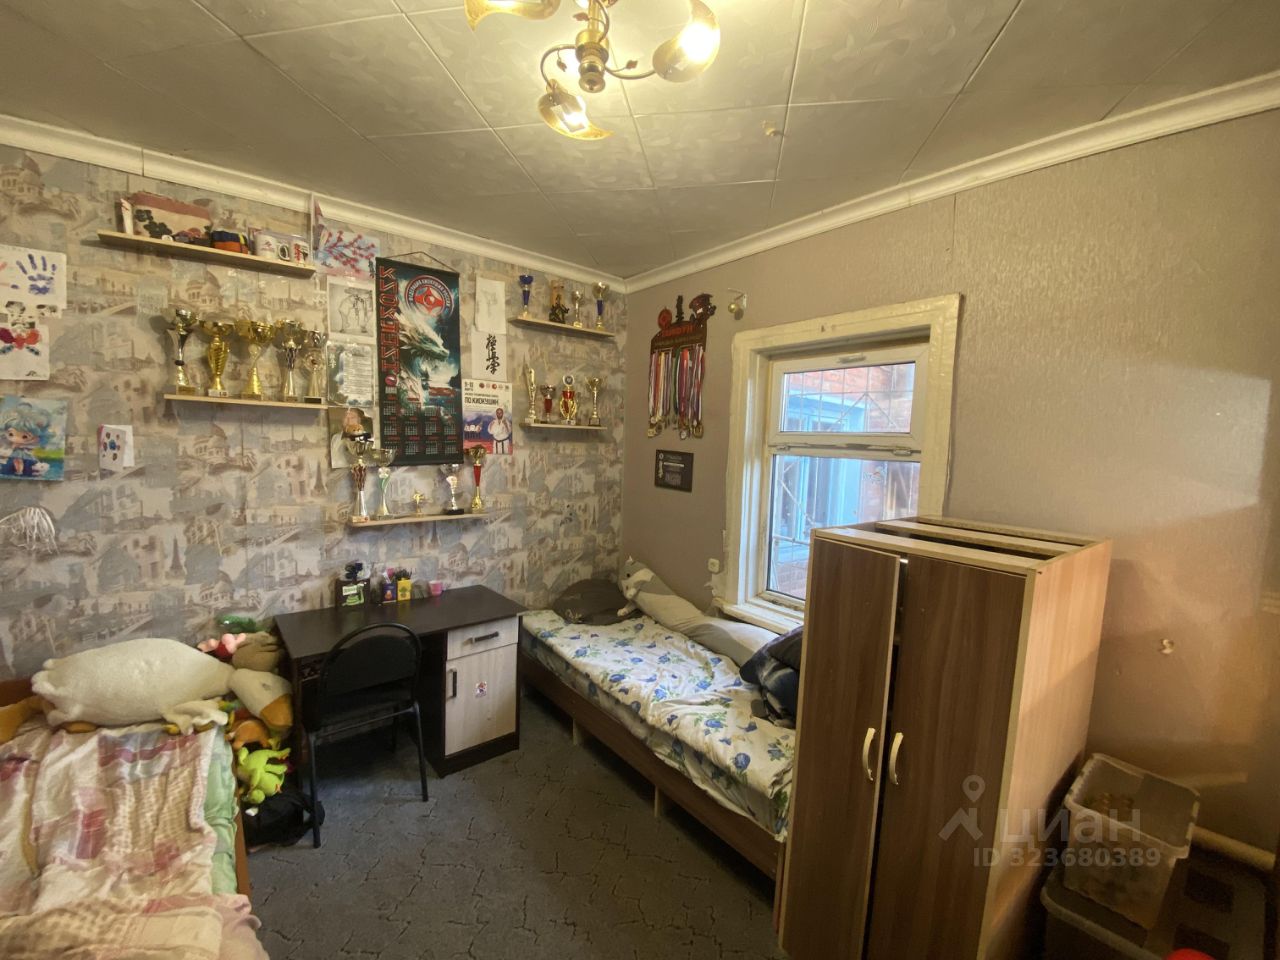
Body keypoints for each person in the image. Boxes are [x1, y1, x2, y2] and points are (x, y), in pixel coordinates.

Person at [1, 401, 53, 477]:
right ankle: (18, 471)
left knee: (20, 460)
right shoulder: (6, 442)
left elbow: (32, 446)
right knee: (16, 460)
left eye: (24, 436)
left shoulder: (31, 443)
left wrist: (23, 446)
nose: (16, 439)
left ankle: (19, 471)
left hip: (23, 454)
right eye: (11, 434)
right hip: (15, 453)